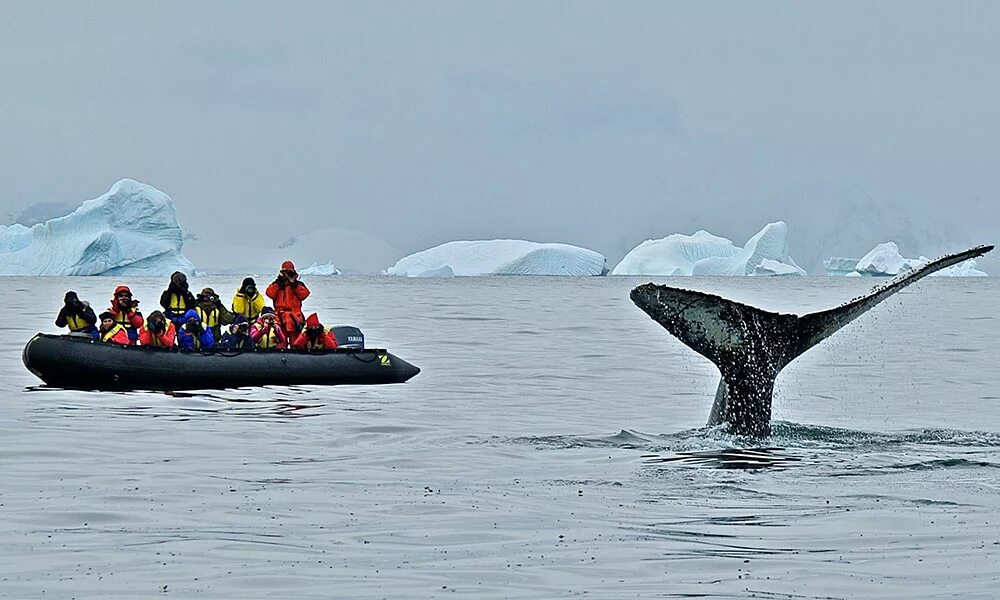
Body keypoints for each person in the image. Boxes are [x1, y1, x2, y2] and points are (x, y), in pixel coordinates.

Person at [266, 260, 310, 348]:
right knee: (280, 343)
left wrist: (294, 283)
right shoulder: (277, 285)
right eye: (284, 272)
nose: (287, 275)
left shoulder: (298, 285)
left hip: (294, 319)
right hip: (280, 318)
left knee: (296, 343)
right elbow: (269, 293)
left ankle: (296, 360)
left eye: (289, 272)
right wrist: (278, 281)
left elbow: (304, 295)